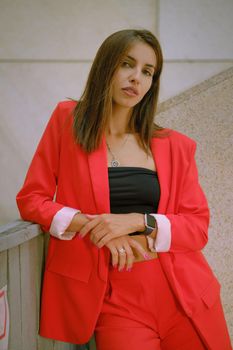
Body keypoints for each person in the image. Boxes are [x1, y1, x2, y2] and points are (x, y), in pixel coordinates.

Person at [16, 29, 232, 350]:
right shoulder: (68, 121)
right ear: (107, 67)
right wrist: (101, 229)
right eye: (126, 65)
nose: (136, 78)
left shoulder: (174, 145)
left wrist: (135, 221)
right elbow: (32, 200)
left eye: (147, 72)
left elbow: (197, 227)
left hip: (185, 296)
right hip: (116, 303)